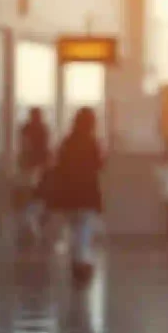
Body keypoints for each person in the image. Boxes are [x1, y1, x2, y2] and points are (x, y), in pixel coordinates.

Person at [48, 108, 104, 283]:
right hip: (86, 192)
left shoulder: (67, 142)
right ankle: (81, 263)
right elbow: (99, 165)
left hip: (69, 193)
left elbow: (58, 165)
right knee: (84, 230)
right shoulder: (92, 142)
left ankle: (77, 263)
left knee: (74, 230)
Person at [17, 107, 51, 242]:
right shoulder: (42, 129)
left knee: (33, 193)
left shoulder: (27, 129)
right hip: (37, 165)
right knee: (38, 194)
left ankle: (30, 221)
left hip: (32, 165)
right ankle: (34, 220)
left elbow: (24, 146)